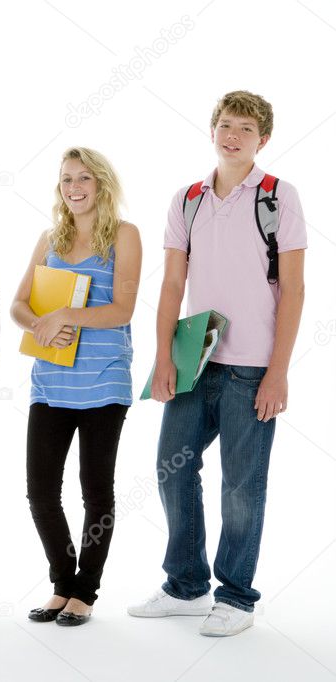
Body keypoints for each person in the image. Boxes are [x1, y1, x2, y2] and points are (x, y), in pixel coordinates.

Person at [128, 91, 307, 637]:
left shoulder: (278, 196)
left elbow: (294, 290)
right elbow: (173, 285)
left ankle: (235, 597)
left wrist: (278, 371)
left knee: (242, 485)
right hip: (195, 353)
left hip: (252, 363)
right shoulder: (188, 199)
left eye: (245, 129)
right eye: (225, 125)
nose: (233, 136)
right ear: (212, 131)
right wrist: (163, 359)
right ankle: (185, 586)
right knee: (173, 469)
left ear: (263, 140)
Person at [11, 147, 141, 627]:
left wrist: (66, 316)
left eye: (84, 178)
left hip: (104, 383)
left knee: (95, 492)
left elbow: (122, 310)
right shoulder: (49, 238)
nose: (74, 187)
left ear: (102, 184)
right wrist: (41, 324)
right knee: (40, 491)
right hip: (50, 381)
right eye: (66, 179)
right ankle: (63, 583)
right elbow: (19, 305)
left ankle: (86, 590)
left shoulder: (124, 235)